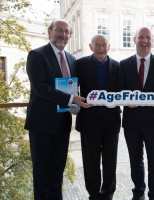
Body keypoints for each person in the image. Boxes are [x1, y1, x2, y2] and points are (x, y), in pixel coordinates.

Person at [25, 19, 92, 199]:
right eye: (59, 30)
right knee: (41, 174)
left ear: (70, 35)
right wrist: (71, 99)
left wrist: (73, 104)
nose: (63, 34)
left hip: (62, 124)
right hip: (41, 125)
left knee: (57, 172)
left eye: (67, 32)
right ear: (49, 32)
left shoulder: (71, 59)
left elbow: (71, 87)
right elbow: (41, 88)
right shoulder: (37, 55)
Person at [117, 27, 154, 200]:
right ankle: (138, 191)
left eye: (148, 37)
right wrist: (125, 100)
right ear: (135, 40)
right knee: (135, 160)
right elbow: (119, 90)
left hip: (153, 121)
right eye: (141, 37)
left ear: (152, 41)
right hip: (131, 122)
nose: (145, 40)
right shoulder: (123, 65)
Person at [75, 34, 121, 199]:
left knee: (110, 163)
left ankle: (108, 194)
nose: (101, 48)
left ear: (109, 47)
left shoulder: (118, 66)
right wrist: (73, 105)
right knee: (91, 163)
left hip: (111, 121)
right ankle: (94, 195)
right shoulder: (79, 64)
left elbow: (124, 91)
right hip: (89, 121)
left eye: (104, 45)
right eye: (97, 45)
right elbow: (73, 88)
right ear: (90, 46)